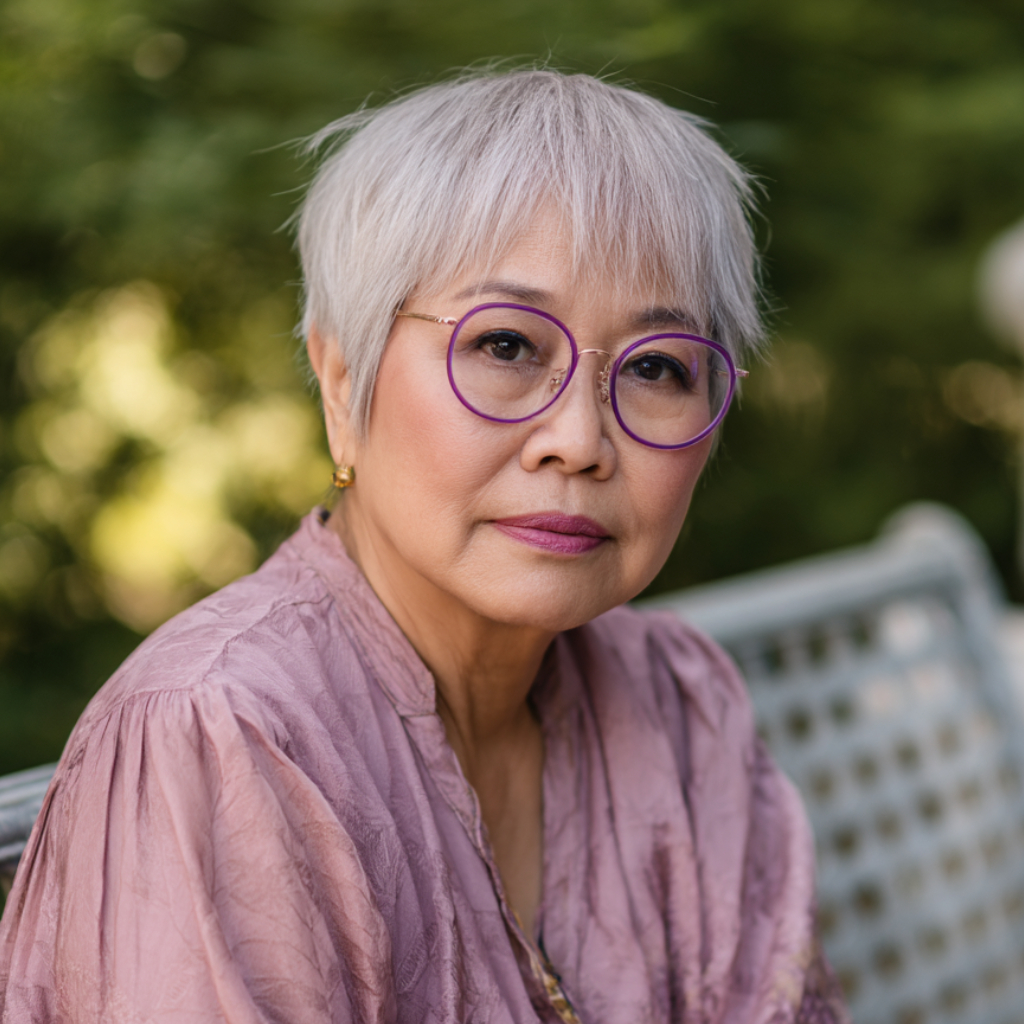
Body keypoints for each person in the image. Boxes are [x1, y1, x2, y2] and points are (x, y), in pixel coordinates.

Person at [0, 69, 847, 1023]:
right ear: (342, 382)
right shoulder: (224, 741)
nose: (579, 440)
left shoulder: (679, 707)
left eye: (656, 367)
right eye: (506, 346)